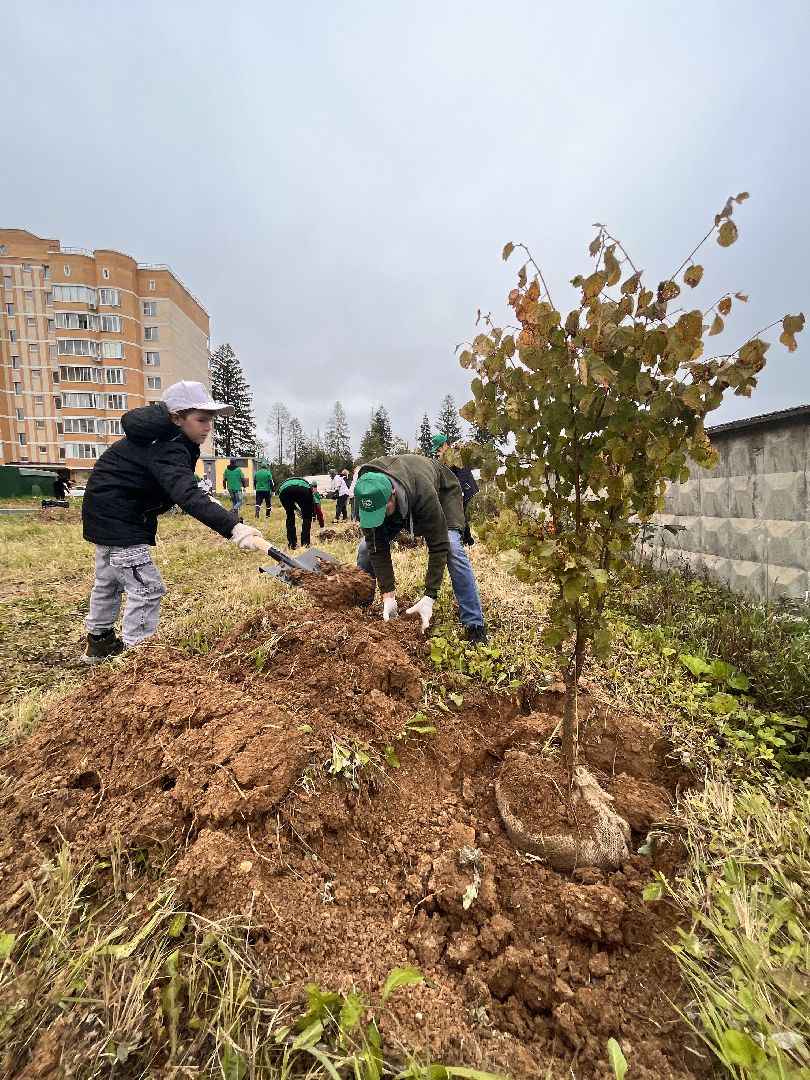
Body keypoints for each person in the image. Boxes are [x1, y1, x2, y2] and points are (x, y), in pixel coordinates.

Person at [80, 380, 261, 663]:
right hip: (122, 520)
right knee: (147, 587)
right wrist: (234, 528)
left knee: (109, 581)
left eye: (210, 420)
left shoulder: (160, 437)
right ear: (177, 418)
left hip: (104, 514)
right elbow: (185, 493)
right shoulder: (166, 444)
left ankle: (99, 644)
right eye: (201, 420)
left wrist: (219, 511)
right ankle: (139, 660)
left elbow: (184, 486)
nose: (207, 427)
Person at [354, 455, 487, 644]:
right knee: (365, 547)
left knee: (452, 548)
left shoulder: (424, 493)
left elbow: (438, 544)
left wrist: (430, 596)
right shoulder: (368, 493)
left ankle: (474, 624)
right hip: (402, 500)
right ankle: (362, 605)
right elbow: (377, 547)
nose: (380, 518)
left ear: (393, 493)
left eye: (384, 511)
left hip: (441, 492)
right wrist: (388, 595)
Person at [432, 434, 479, 545]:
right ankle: (466, 540)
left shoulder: (457, 455)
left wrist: (459, 491)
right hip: (457, 489)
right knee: (459, 514)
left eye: (439, 447)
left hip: (466, 489)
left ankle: (466, 541)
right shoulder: (446, 458)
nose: (438, 451)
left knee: (458, 514)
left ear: (445, 445)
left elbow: (463, 475)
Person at [278, 476, 315, 549]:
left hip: (284, 490)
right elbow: (312, 502)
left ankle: (292, 543)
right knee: (307, 517)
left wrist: (295, 509)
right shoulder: (306, 485)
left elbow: (287, 503)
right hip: (303, 490)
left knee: (290, 516)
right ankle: (305, 543)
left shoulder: (285, 484)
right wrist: (311, 512)